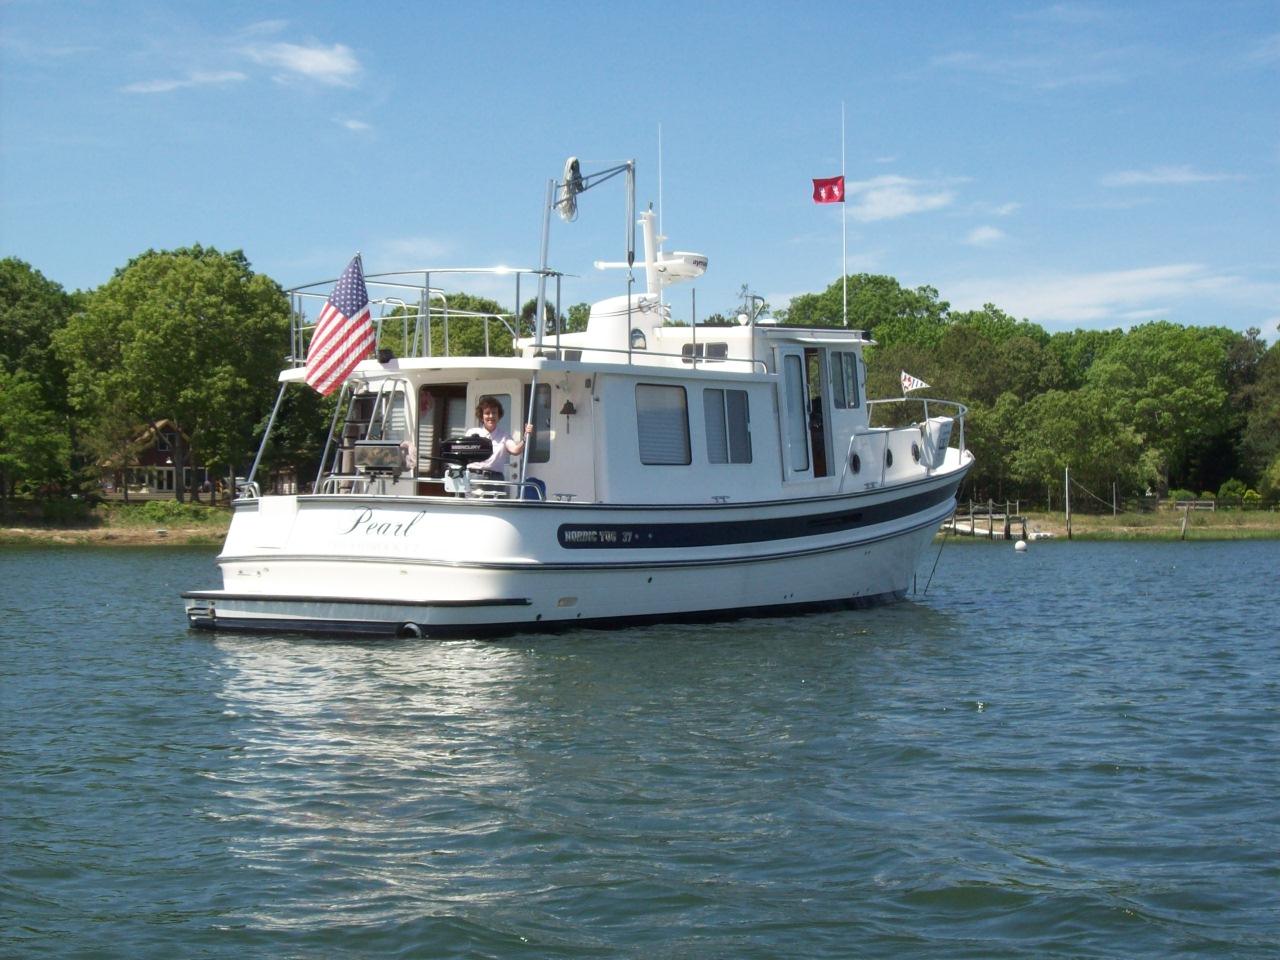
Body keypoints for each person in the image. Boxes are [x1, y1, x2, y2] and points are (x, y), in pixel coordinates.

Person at [465, 396, 533, 482]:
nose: (491, 416)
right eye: (487, 413)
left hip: (496, 479)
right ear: (481, 417)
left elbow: (515, 450)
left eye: (494, 413)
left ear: (499, 416)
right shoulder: (472, 433)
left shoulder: (504, 436)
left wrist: (525, 437)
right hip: (473, 477)